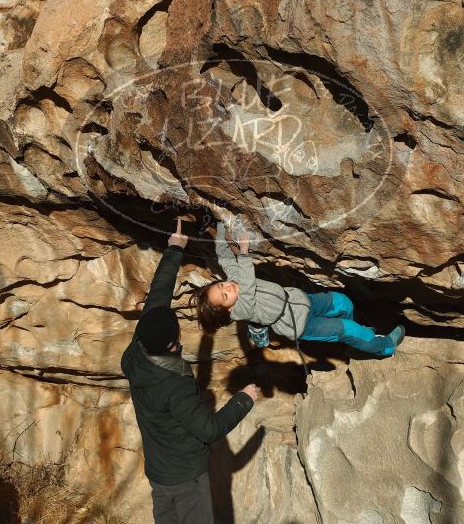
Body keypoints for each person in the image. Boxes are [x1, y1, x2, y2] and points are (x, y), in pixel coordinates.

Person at [121, 219, 258, 524]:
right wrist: (243, 400)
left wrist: (174, 249)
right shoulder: (173, 386)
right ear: (173, 343)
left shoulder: (138, 348)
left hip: (158, 472)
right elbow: (208, 430)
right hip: (186, 479)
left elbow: (158, 293)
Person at [193, 221, 405, 355]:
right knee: (345, 329)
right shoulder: (241, 309)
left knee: (343, 302)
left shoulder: (234, 282)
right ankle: (385, 346)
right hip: (301, 325)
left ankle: (359, 338)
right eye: (224, 295)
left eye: (222, 285)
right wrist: (245, 250)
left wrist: (219, 227)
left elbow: (225, 258)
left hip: (303, 300)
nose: (228, 287)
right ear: (228, 309)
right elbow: (248, 285)